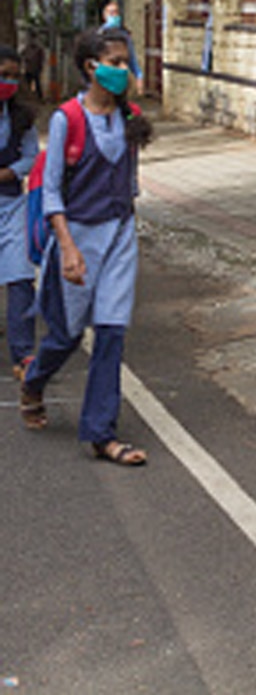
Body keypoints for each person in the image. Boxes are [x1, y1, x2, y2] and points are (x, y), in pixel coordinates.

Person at [18, 28, 153, 465]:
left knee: (112, 332)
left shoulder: (128, 116)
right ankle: (34, 379)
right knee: (67, 336)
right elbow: (52, 189)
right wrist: (68, 247)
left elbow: (129, 180)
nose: (123, 70)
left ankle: (101, 434)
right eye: (115, 62)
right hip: (77, 236)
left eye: (124, 61)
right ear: (92, 66)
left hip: (119, 235)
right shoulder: (67, 120)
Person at [0, 45, 39, 380]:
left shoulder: (21, 117)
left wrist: (8, 173)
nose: (8, 82)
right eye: (3, 75)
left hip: (11, 203)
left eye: (14, 76)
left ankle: (23, 353)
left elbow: (30, 156)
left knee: (20, 275)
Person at [101, 0, 144, 96]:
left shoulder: (125, 36)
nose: (114, 15)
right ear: (104, 16)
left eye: (116, 12)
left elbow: (132, 59)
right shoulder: (99, 35)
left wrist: (139, 77)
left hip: (120, 80)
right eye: (110, 12)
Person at [20, 37, 44, 102]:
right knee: (28, 83)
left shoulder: (39, 49)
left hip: (35, 69)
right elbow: (22, 55)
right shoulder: (27, 48)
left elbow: (41, 59)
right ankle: (28, 97)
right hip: (29, 68)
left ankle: (39, 97)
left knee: (37, 83)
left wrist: (40, 67)